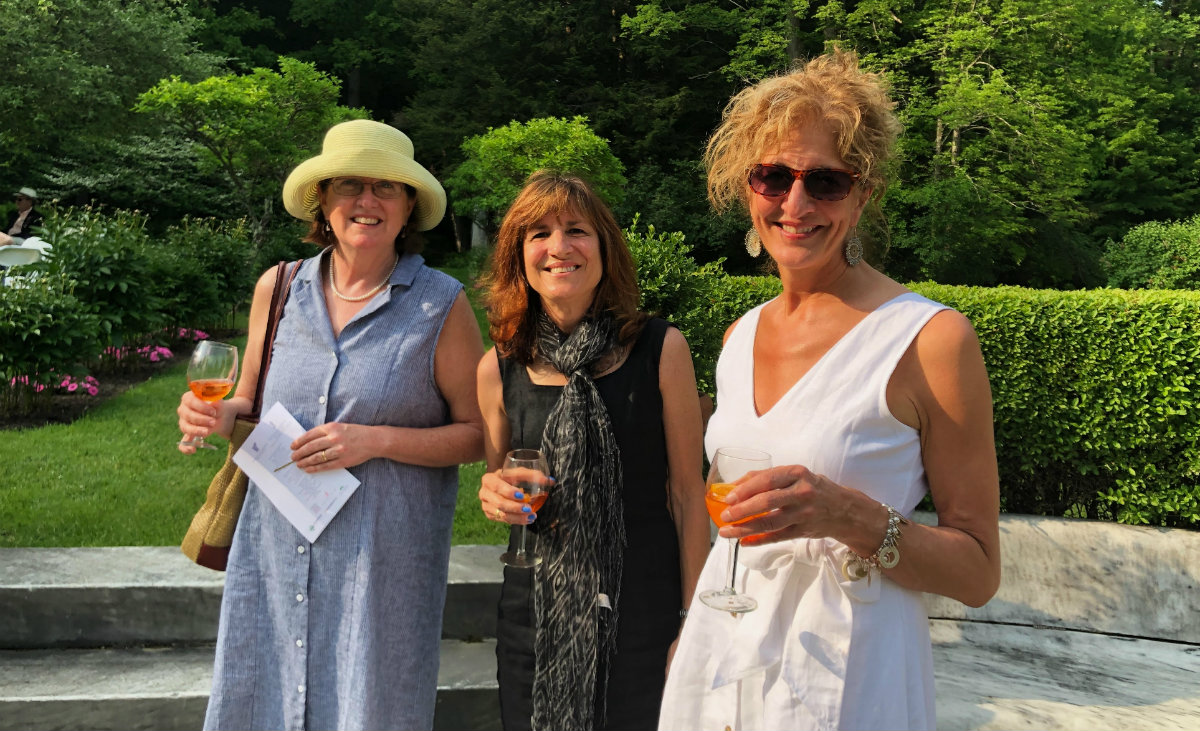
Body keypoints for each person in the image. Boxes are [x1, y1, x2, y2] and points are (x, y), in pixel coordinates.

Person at [658, 50, 1001, 731]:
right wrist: (688, 626)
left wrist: (851, 515)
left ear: (864, 190)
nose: (795, 203)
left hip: (850, 678)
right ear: (746, 186)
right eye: (773, 176)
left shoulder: (929, 339)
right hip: (724, 658)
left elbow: (979, 572)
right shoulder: (739, 337)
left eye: (826, 182)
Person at [176, 119, 485, 731]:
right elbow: (249, 401)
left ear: (407, 209)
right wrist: (215, 413)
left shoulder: (440, 303)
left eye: (385, 188)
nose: (365, 202)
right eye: (349, 184)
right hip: (273, 549)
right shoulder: (280, 286)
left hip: (380, 565)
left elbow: (479, 434)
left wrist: (373, 441)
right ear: (323, 200)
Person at [476, 170, 710, 731]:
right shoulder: (498, 367)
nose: (559, 248)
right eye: (539, 234)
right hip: (534, 615)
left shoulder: (660, 349)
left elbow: (686, 494)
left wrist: (694, 621)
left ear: (605, 249)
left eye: (576, 230)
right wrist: (493, 495)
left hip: (642, 612)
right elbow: (500, 483)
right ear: (519, 256)